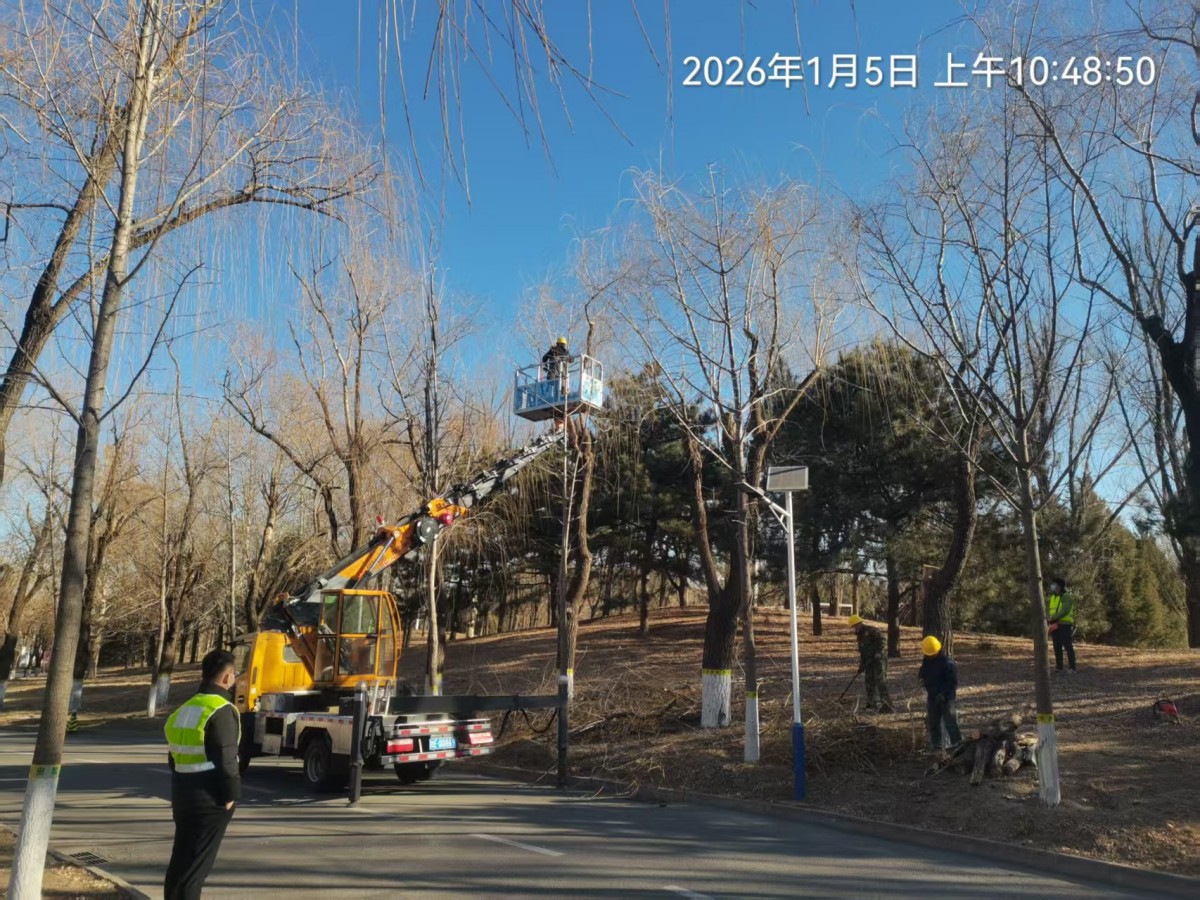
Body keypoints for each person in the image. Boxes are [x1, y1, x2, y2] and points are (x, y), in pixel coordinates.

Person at [163, 649, 241, 900]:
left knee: (180, 867)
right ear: (227, 678)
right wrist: (231, 796)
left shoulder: (184, 709)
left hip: (183, 796)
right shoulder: (221, 709)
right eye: (234, 675)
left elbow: (173, 758)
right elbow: (227, 760)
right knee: (195, 872)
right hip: (210, 801)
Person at [918, 635, 962, 752]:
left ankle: (958, 746)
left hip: (946, 698)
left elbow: (953, 683)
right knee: (933, 723)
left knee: (951, 723)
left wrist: (944, 695)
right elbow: (923, 672)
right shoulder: (927, 659)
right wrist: (922, 678)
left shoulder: (948, 663)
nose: (929, 655)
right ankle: (937, 747)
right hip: (932, 696)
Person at [849, 615, 893, 712]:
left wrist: (878, 652)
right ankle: (871, 704)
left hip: (879, 660)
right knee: (869, 682)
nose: (854, 628)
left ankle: (887, 706)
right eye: (853, 627)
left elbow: (883, 640)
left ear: (859, 624)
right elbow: (863, 652)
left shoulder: (871, 630)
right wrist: (861, 666)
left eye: (855, 626)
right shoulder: (859, 636)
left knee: (880, 682)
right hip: (869, 661)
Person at [1047, 575, 1077, 673]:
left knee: (1068, 646)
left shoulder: (1066, 596)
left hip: (1065, 624)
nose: (1052, 586)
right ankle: (1059, 667)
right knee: (1057, 646)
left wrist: (1053, 618)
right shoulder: (1052, 597)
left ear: (1059, 586)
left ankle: (1072, 668)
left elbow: (1065, 610)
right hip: (1055, 625)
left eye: (1054, 584)